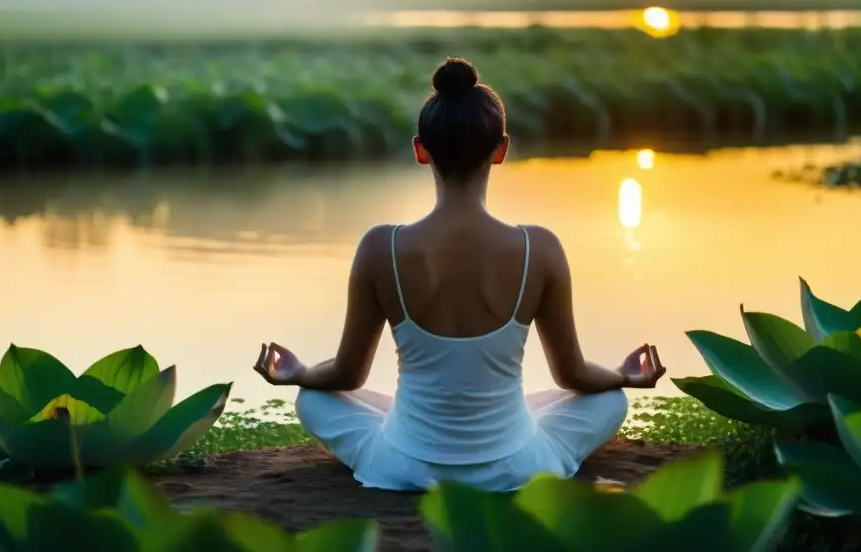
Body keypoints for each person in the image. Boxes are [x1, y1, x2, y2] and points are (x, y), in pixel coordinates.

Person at [253, 56, 665, 492]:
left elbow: (347, 376)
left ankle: (430, 427)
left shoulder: (381, 247)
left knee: (314, 398)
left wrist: (297, 373)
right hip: (517, 466)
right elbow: (573, 375)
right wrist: (624, 376)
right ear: (501, 149)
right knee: (608, 400)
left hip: (402, 465)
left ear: (420, 149)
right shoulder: (539, 248)